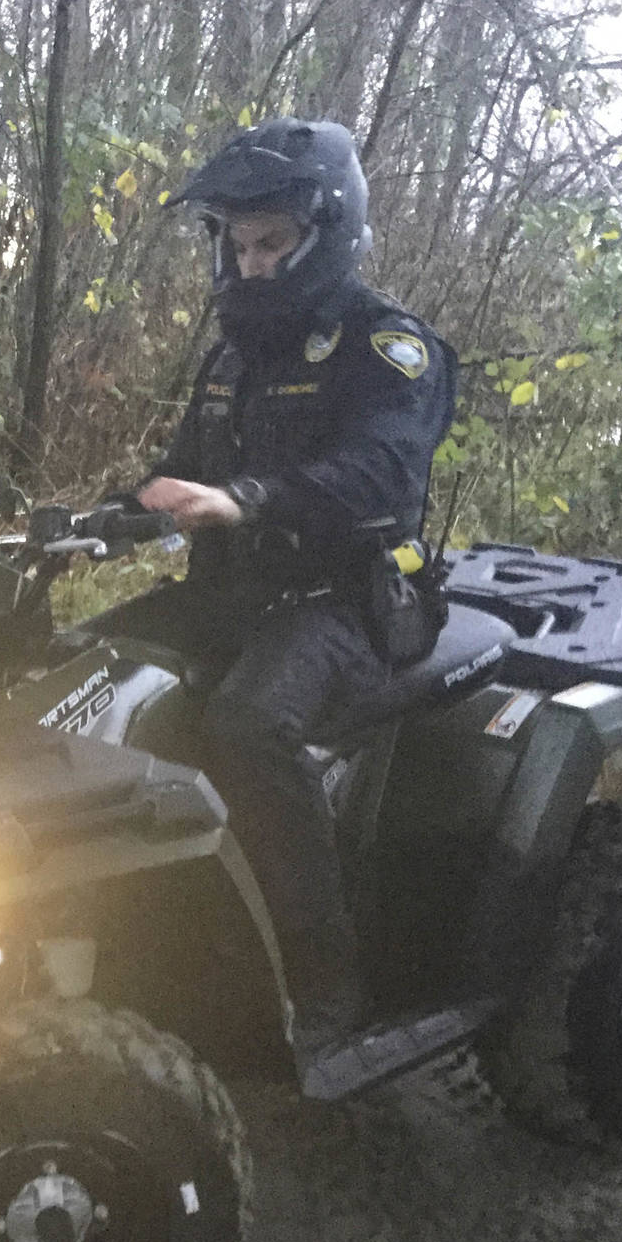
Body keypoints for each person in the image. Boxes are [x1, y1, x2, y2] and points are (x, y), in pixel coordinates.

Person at [90, 117, 458, 1098]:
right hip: (238, 591)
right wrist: (86, 523)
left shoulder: (387, 349)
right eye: (237, 245)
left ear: (322, 235)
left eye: (270, 246)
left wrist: (248, 500)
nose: (250, 267)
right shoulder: (230, 358)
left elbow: (378, 471)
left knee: (247, 725)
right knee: (86, 672)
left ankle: (323, 989)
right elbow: (177, 476)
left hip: (350, 594)